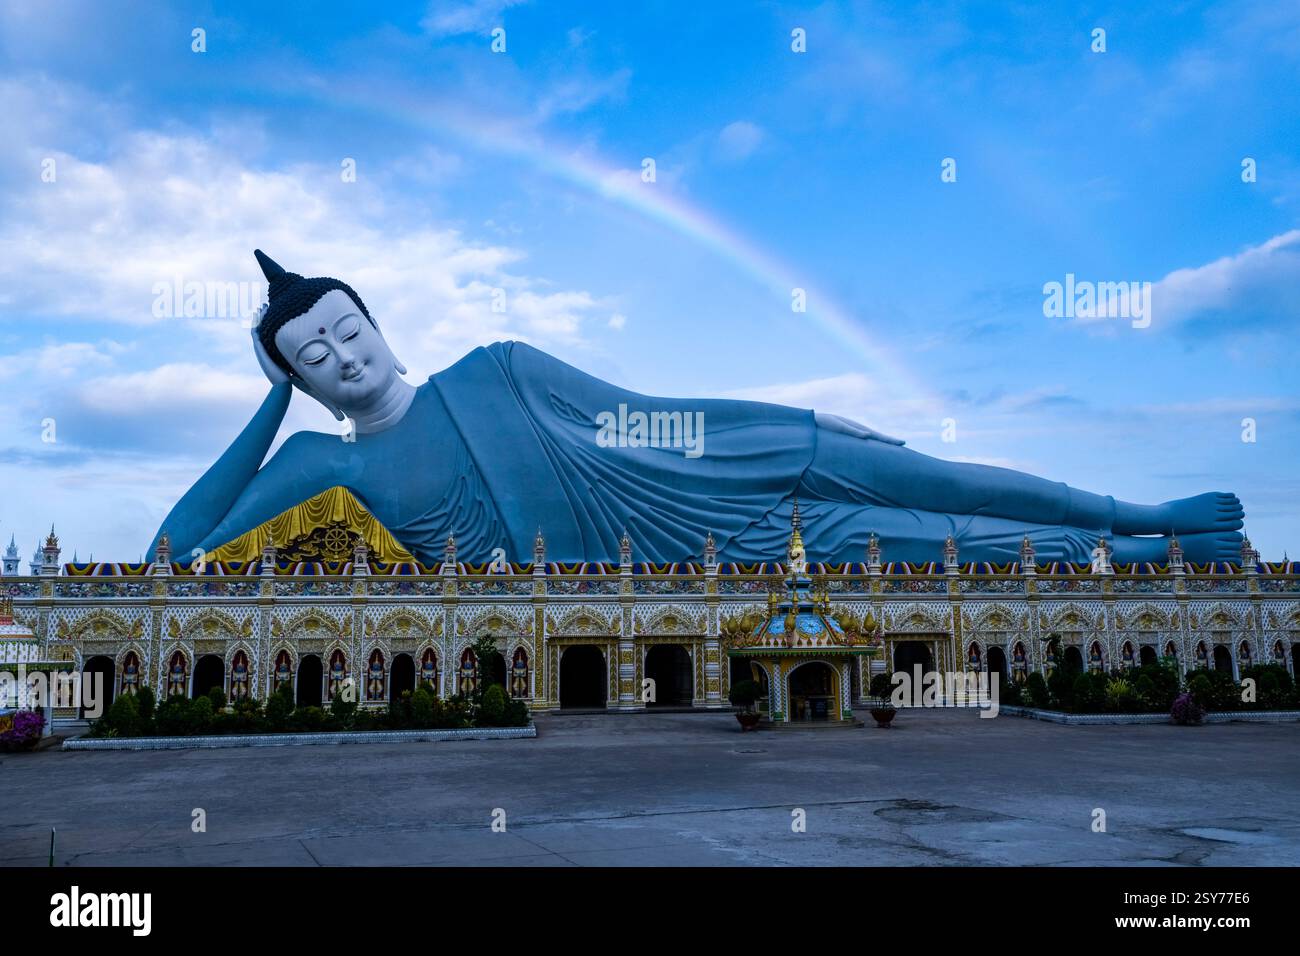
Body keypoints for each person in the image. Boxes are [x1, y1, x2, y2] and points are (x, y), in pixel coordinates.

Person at [149, 251, 1247, 566]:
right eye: (312, 357)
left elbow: (639, 410)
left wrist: (794, 422)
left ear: (375, 319)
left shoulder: (496, 365)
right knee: (935, 550)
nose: (344, 358)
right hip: (679, 555)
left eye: (347, 327)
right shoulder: (325, 463)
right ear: (298, 379)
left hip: (699, 463)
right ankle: (1155, 558)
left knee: (936, 480)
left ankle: (1137, 506)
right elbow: (172, 550)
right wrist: (260, 405)